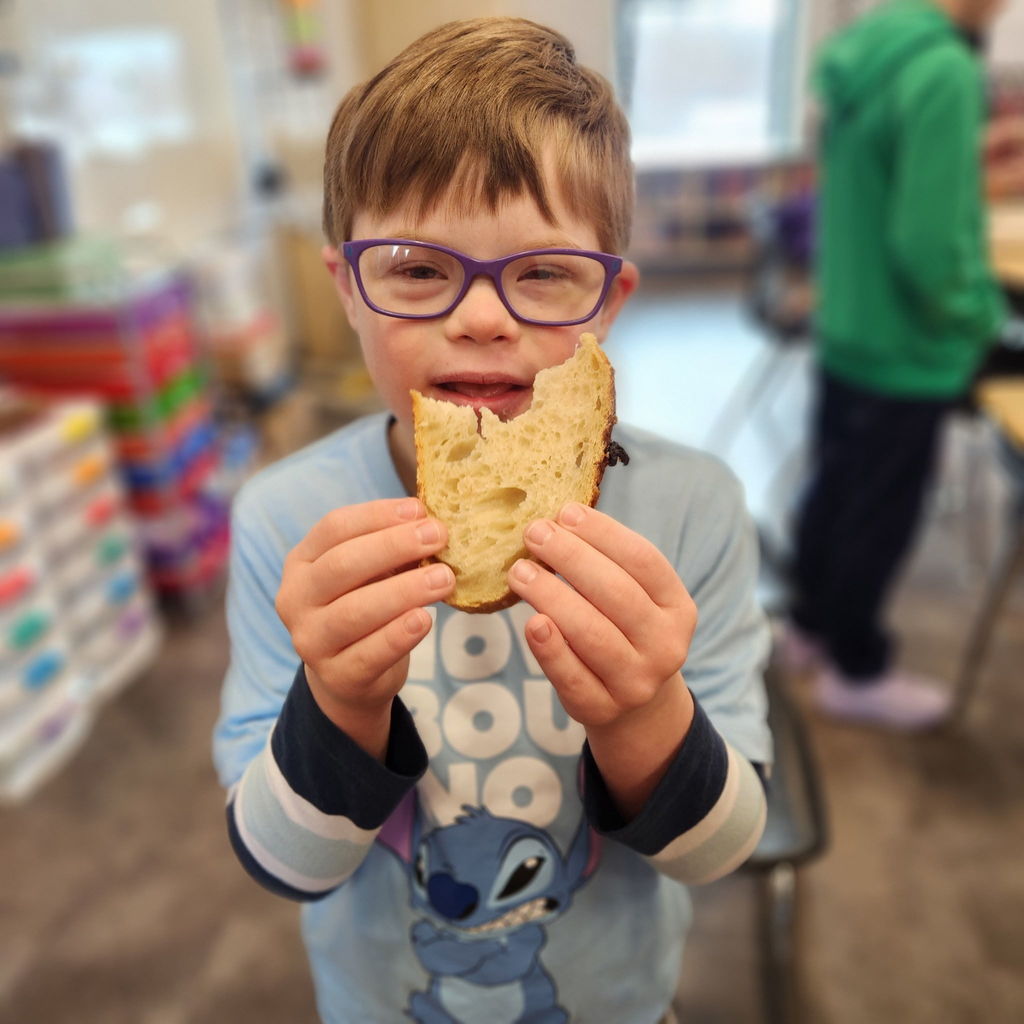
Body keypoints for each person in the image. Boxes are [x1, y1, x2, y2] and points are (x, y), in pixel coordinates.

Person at [213, 17, 772, 1024]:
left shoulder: (693, 508)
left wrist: (643, 714)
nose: (481, 316)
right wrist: (338, 701)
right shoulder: (286, 521)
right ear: (347, 285)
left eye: (546, 272)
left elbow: (722, 851)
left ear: (608, 302)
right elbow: (281, 865)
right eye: (418, 269)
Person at [781, 0, 1009, 730]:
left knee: (837, 486)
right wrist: (982, 321)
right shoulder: (942, 67)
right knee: (879, 512)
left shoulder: (870, 47)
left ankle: (808, 628)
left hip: (848, 321)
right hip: (908, 346)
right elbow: (928, 246)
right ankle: (856, 666)